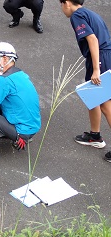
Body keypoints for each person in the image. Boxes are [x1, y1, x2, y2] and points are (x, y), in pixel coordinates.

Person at [59, 0, 111, 162]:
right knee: (93, 98)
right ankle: (95, 136)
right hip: (103, 56)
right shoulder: (90, 13)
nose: (62, 9)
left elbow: (93, 40)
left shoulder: (77, 15)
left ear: (66, 2)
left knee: (105, 104)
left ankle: (96, 137)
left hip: (100, 58)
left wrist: (96, 69)